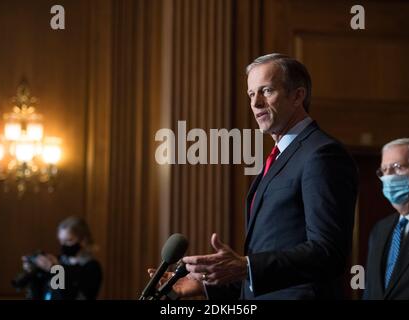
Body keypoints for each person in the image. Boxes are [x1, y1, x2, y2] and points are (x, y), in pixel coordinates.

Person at [150, 53, 358, 299]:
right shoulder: (279, 156)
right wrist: (206, 285)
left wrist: (245, 266)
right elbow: (269, 261)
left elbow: (328, 252)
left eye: (266, 91)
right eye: (251, 94)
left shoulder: (322, 154)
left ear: (297, 96)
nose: (256, 103)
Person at [364, 138, 409, 299]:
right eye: (384, 170)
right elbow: (369, 290)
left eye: (397, 167)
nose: (388, 177)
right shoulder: (380, 229)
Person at [19, 216, 102, 300]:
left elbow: (73, 295)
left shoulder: (92, 267)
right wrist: (33, 272)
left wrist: (55, 269)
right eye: (61, 241)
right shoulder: (57, 261)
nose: (63, 245)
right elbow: (37, 294)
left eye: (68, 241)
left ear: (83, 240)